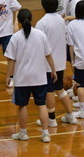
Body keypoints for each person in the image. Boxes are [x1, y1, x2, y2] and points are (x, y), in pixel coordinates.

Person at [5, 9, 57, 143]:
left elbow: (11, 60)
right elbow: (48, 55)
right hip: (39, 77)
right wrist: (53, 70)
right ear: (31, 19)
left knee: (22, 106)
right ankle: (46, 134)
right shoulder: (40, 35)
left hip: (22, 79)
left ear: (20, 22)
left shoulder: (15, 37)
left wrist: (8, 76)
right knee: (41, 105)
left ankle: (23, 133)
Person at [35, 0, 78, 127]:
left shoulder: (41, 23)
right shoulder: (60, 20)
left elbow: (37, 43)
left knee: (49, 90)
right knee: (59, 89)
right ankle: (71, 116)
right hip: (60, 61)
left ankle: (51, 119)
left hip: (48, 64)